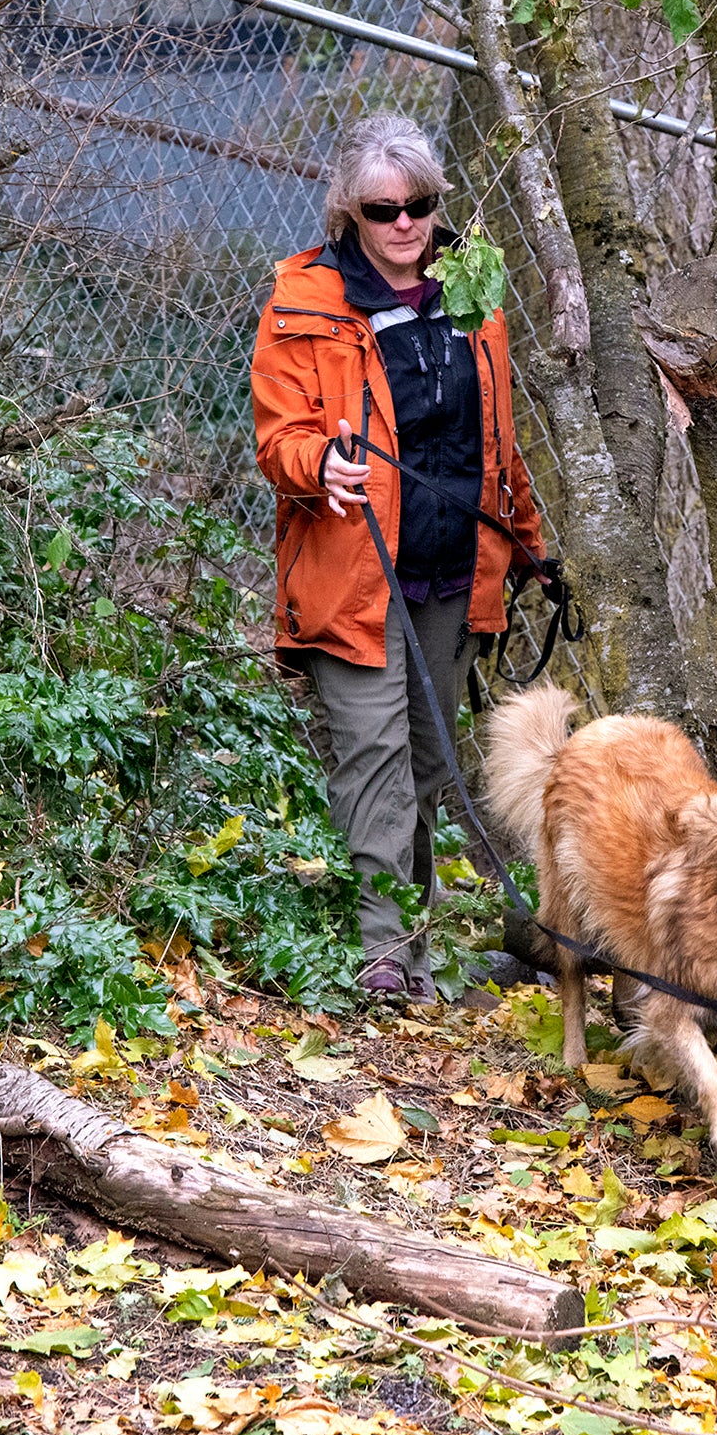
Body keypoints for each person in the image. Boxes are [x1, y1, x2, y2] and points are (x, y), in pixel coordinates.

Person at [250, 113, 545, 1002]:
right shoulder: (306, 300)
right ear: (352, 213)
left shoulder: (472, 292)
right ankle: (385, 951)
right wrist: (319, 467)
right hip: (351, 567)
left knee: (425, 758)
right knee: (372, 753)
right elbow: (280, 436)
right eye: (385, 210)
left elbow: (497, 435)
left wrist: (526, 541)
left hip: (451, 568)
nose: (406, 223)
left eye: (420, 204)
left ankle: (410, 942)